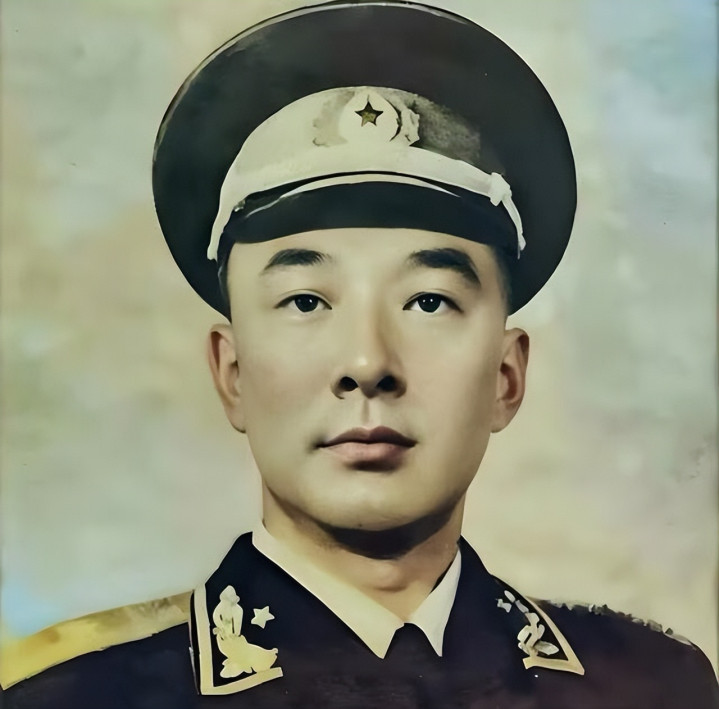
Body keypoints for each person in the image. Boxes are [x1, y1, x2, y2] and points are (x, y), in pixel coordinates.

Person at [2, 1, 717, 707]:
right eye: (305, 302)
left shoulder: (652, 688)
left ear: (506, 376)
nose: (368, 364)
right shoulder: (73, 697)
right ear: (232, 374)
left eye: (428, 301)